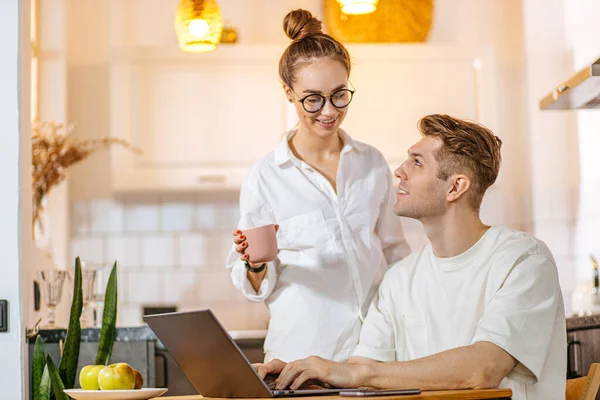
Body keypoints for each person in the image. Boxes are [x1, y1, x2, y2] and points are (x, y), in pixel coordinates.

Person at [255, 114, 567, 400]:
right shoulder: (399, 279)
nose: (399, 171)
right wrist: (305, 376)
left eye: (416, 163)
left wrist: (356, 373)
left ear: (455, 187)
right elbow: (363, 371)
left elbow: (483, 369)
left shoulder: (524, 261)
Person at [225, 9, 410, 363]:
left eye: (339, 94)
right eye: (312, 98)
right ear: (288, 92)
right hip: (302, 356)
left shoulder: (372, 163)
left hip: (377, 353)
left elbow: (394, 252)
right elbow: (254, 284)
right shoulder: (266, 177)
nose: (328, 111)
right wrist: (254, 264)